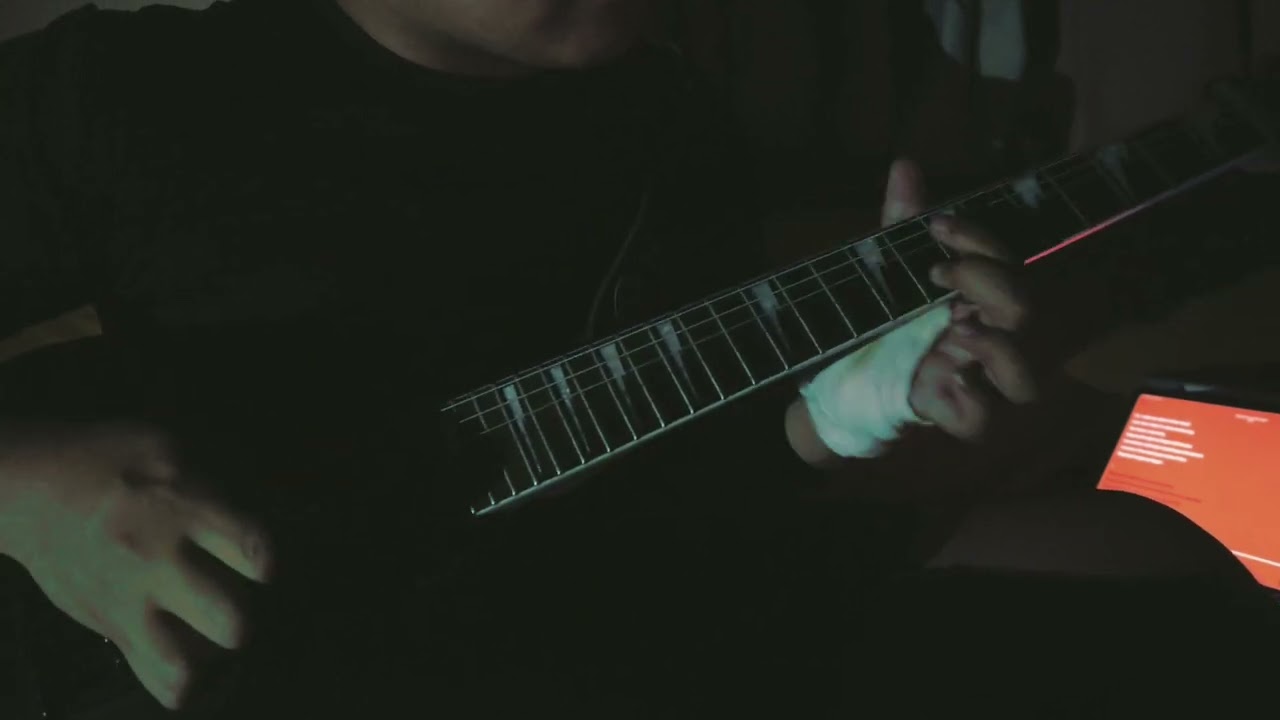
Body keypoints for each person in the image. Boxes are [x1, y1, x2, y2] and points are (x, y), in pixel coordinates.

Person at [0, 1, 1273, 717]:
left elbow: (686, 503)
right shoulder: (128, 93)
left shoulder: (663, 122)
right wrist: (25, 486)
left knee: (1191, 610)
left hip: (598, 640)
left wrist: (852, 407)